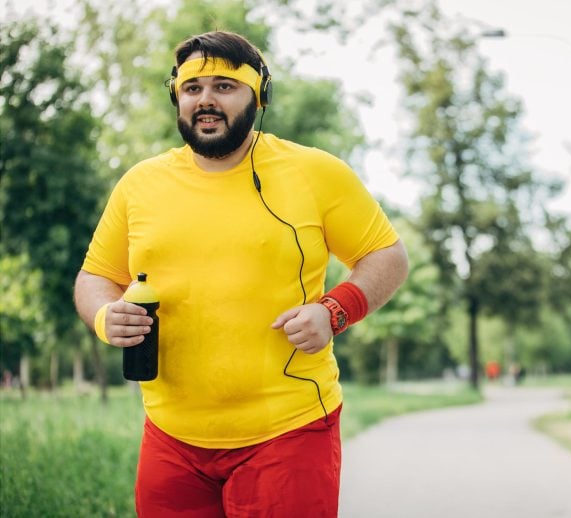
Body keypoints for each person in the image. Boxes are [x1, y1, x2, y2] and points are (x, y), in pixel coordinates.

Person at [73, 30, 408, 517]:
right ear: (177, 98)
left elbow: (387, 255)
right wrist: (105, 316)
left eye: (224, 86)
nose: (205, 100)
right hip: (170, 438)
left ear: (259, 97)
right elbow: (95, 277)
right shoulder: (140, 185)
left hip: (288, 432)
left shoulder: (314, 172)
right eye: (192, 88)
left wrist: (334, 311)